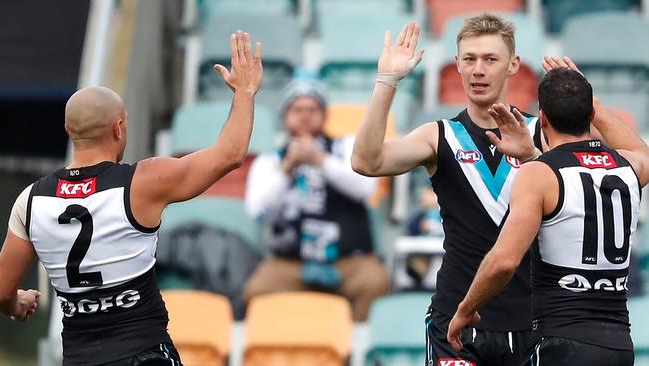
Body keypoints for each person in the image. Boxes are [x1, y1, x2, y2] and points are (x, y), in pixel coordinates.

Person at [0, 30, 263, 365]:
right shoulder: (142, 182)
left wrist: (17, 305)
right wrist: (245, 91)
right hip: (144, 353)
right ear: (119, 128)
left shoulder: (31, 200)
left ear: (68, 130)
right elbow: (230, 155)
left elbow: (2, 290)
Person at [352, 15, 544, 365]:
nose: (478, 70)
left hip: (530, 322)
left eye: (490, 59)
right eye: (469, 59)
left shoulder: (541, 135)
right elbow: (367, 162)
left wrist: (537, 155)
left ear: (513, 64)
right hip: (455, 322)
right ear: (456, 64)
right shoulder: (438, 135)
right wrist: (386, 81)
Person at [447, 67, 649, 366]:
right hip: (619, 345)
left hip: (562, 342)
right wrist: (595, 107)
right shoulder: (628, 166)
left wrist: (465, 309)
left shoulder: (540, 174)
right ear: (589, 114)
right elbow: (638, 150)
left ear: (542, 119)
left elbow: (503, 262)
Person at [243, 77, 390, 321]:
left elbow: (366, 189)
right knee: (256, 291)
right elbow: (257, 212)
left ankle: (353, 351)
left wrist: (320, 160)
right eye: (297, 109)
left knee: (375, 282)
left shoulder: (346, 147)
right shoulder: (268, 162)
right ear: (285, 115)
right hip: (290, 265)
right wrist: (287, 168)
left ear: (324, 115)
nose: (305, 115)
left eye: (313, 109)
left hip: (350, 262)